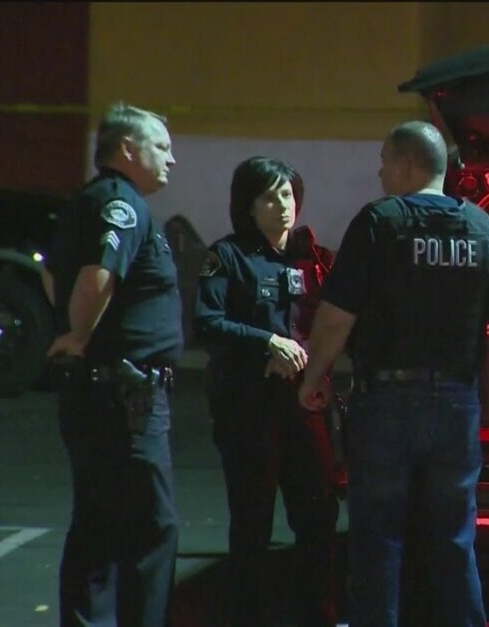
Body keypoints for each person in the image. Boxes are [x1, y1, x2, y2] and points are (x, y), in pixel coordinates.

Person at [295, 120, 489, 627]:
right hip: (456, 407)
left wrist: (313, 377)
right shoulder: (480, 227)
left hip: (385, 406)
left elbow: (335, 319)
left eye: (384, 162)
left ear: (407, 164)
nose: (380, 173)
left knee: (378, 541)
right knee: (454, 542)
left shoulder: (378, 223)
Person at [45, 102, 181, 626]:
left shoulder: (89, 199)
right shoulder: (121, 204)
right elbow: (96, 277)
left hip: (103, 391)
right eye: (161, 147)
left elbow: (51, 274)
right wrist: (78, 335)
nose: (171, 158)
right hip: (126, 396)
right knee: (151, 527)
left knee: (99, 526)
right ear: (128, 149)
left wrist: (70, 332)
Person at [193, 157, 340, 627]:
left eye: (288, 195)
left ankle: (317, 615)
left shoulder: (313, 258)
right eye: (269, 198)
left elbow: (338, 322)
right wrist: (266, 343)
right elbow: (206, 322)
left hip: (306, 403)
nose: (282, 206)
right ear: (248, 206)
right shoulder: (227, 256)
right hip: (249, 408)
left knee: (318, 516)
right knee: (252, 521)